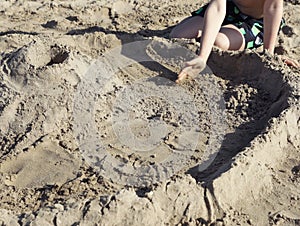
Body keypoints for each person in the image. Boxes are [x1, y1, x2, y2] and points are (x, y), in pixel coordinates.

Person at [170, 0, 299, 83]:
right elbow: (217, 7)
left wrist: (268, 55)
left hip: (255, 21)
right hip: (230, 8)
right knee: (178, 35)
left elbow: (273, 8)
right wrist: (202, 57)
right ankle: (210, 32)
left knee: (218, 42)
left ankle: (211, 34)